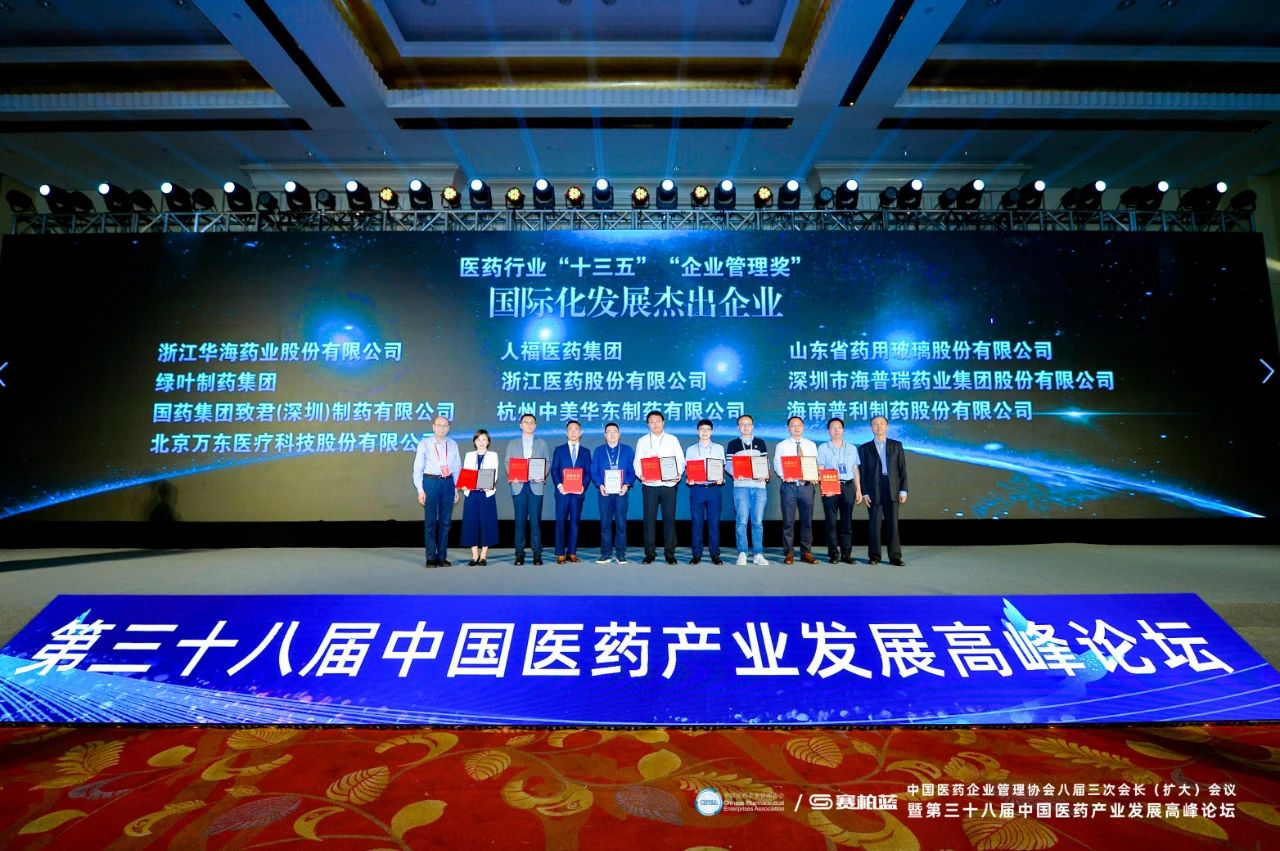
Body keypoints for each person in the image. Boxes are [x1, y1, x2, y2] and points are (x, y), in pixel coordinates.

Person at [633, 410, 685, 564]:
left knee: (669, 520)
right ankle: (650, 553)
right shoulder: (642, 441)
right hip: (650, 485)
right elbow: (637, 462)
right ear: (648, 424)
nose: (655, 424)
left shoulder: (672, 439)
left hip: (669, 485)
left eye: (657, 421)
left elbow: (680, 460)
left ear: (663, 422)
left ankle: (670, 553)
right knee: (649, 520)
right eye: (651, 421)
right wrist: (641, 475)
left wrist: (678, 473)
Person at [859, 414, 909, 566]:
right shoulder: (864, 448)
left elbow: (902, 469)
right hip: (873, 488)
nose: (879, 426)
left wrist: (903, 490)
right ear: (871, 428)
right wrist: (864, 492)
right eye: (875, 424)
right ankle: (874, 556)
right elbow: (862, 473)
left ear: (887, 426)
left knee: (893, 524)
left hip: (892, 487)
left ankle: (895, 556)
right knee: (874, 525)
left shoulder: (896, 445)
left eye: (882, 423)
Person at [412, 414, 461, 568]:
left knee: (445, 522)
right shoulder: (424, 444)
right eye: (439, 425)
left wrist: (456, 488)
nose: (441, 428)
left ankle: (442, 556)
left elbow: (457, 468)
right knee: (431, 522)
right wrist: (420, 490)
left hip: (448, 483)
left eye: (445, 426)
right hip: (430, 482)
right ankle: (431, 557)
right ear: (433, 427)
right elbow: (418, 469)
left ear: (449, 428)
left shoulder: (452, 444)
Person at [773, 415, 819, 564]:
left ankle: (806, 552)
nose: (796, 428)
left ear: (803, 427)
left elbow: (815, 464)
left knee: (807, 521)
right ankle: (789, 552)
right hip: (789, 487)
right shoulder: (781, 445)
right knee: (788, 522)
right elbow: (777, 465)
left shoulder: (811, 445)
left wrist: (814, 475)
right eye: (793, 425)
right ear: (788, 428)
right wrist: (784, 475)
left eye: (799, 425)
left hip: (807, 487)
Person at [818, 417, 863, 565]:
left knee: (847, 521)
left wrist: (858, 489)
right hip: (830, 485)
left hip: (848, 486)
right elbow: (821, 469)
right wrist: (825, 487)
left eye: (839, 427)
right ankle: (833, 553)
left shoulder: (851, 448)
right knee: (831, 522)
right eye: (833, 428)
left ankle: (846, 553)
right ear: (828, 431)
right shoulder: (823, 448)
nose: (836, 430)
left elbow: (855, 469)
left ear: (843, 430)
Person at [505, 412, 549, 566]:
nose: (529, 425)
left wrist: (541, 475)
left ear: (535, 426)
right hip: (519, 487)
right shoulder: (513, 443)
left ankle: (537, 553)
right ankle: (519, 553)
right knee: (520, 522)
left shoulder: (542, 443)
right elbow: (507, 462)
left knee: (536, 522)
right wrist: (513, 475)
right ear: (521, 425)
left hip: (536, 486)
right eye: (526, 422)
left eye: (532, 423)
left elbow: (547, 462)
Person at [726, 413, 769, 566]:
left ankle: (758, 553)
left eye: (748, 424)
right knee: (742, 521)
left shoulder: (760, 443)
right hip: (741, 487)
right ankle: (742, 552)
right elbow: (728, 465)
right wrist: (736, 472)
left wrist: (765, 474)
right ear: (738, 427)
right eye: (742, 424)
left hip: (759, 488)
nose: (745, 427)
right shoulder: (733, 444)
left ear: (752, 426)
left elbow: (765, 463)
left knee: (757, 522)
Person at [591, 422, 635, 564]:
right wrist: (600, 484)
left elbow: (632, 470)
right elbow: (594, 470)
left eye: (614, 431)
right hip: (604, 493)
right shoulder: (599, 451)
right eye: (609, 431)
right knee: (605, 525)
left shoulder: (627, 450)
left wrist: (627, 484)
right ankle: (606, 554)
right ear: (605, 435)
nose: (612, 434)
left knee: (621, 525)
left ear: (619, 434)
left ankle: (621, 554)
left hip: (621, 493)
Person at [550, 419, 593, 564]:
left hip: (577, 493)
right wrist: (559, 485)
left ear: (580, 433)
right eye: (570, 429)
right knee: (560, 522)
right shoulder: (559, 450)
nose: (573, 432)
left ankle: (572, 552)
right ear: (566, 433)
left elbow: (588, 472)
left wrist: (583, 486)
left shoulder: (586, 452)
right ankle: (560, 553)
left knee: (575, 522)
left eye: (576, 429)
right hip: (562, 493)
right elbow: (554, 469)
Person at [684, 418, 726, 565]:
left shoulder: (719, 449)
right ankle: (696, 554)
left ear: (711, 431)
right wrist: (689, 479)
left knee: (714, 523)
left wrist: (720, 478)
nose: (705, 432)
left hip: (714, 490)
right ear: (698, 431)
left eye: (707, 429)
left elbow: (721, 467)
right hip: (697, 490)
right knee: (697, 523)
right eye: (702, 429)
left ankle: (715, 554)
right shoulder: (690, 450)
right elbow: (689, 469)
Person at [459, 428, 500, 566]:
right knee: (471, 523)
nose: (481, 442)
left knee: (487, 523)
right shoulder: (469, 455)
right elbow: (465, 473)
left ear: (488, 442)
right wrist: (464, 484)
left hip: (486, 494)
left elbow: (495, 474)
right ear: (474, 442)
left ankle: (483, 555)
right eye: (478, 439)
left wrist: (489, 483)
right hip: (471, 494)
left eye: (484, 439)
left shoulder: (493, 455)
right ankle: (474, 555)